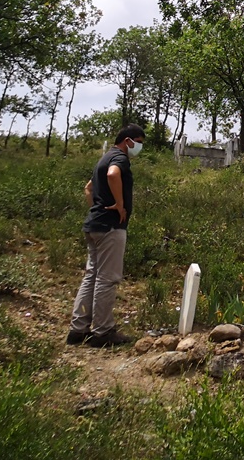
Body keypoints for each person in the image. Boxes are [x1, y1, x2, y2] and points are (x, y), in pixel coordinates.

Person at [67, 124, 145, 347]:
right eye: (138, 142)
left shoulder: (104, 158)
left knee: (91, 276)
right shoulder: (119, 158)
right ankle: (102, 332)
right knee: (107, 278)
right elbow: (113, 175)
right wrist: (118, 205)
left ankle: (78, 329)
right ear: (127, 141)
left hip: (94, 225)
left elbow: (88, 188)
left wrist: (97, 209)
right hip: (111, 227)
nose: (139, 147)